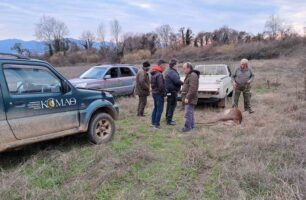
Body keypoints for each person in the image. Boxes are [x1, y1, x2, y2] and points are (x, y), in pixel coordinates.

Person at [181, 62, 200, 132]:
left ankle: (187, 128)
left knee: (188, 113)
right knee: (190, 113)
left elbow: (193, 88)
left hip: (190, 98)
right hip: (189, 98)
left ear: (189, 68)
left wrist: (187, 97)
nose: (183, 70)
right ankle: (191, 127)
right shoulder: (190, 75)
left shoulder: (192, 75)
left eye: (184, 68)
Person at [164, 59, 183, 125]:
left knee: (169, 105)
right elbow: (177, 81)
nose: (177, 66)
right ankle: (169, 121)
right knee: (172, 105)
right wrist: (184, 83)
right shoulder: (172, 72)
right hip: (172, 92)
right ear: (174, 65)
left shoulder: (169, 71)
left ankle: (167, 118)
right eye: (177, 64)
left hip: (169, 91)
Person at [151, 60, 167, 129]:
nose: (165, 67)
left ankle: (153, 122)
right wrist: (164, 95)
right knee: (159, 109)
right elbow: (161, 86)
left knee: (156, 108)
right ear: (160, 65)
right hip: (159, 94)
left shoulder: (154, 73)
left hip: (154, 93)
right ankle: (156, 125)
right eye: (164, 65)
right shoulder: (159, 75)